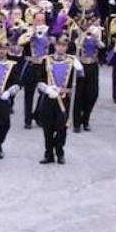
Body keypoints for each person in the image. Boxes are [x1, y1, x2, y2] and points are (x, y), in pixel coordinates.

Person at [37, 35, 83, 164]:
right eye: (58, 45)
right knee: (48, 129)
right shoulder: (46, 60)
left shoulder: (71, 61)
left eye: (63, 45)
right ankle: (48, 154)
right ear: (55, 46)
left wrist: (79, 70)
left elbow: (78, 84)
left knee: (62, 128)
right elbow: (39, 80)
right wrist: (47, 89)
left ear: (67, 47)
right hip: (49, 98)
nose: (61, 48)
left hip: (64, 100)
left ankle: (60, 152)